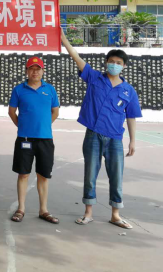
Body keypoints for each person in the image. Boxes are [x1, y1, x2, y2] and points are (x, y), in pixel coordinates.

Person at [61, 29, 141, 229]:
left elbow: (131, 116)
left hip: (115, 139)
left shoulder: (128, 91)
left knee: (116, 176)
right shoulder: (95, 78)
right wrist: (63, 39)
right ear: (106, 62)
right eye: (111, 61)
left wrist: (132, 141)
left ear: (124, 66)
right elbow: (76, 57)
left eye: (119, 62)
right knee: (90, 175)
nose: (114, 64)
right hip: (93, 135)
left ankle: (115, 214)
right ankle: (88, 213)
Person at [8, 56, 60, 224]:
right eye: (31, 69)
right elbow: (11, 111)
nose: (35, 72)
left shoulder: (50, 89)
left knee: (43, 175)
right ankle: (21, 209)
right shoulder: (19, 90)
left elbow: (55, 112)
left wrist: (44, 126)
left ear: (42, 71)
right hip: (25, 139)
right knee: (23, 174)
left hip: (45, 139)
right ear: (27, 71)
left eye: (38, 69)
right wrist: (21, 125)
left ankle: (43, 210)